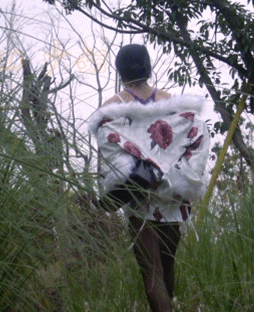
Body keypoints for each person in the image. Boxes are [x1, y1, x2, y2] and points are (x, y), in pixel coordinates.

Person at [88, 44, 210, 312]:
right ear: (148, 66)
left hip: (139, 198)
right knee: (167, 268)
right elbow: (191, 138)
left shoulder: (113, 107)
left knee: (152, 274)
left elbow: (112, 154)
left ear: (120, 71)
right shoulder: (170, 101)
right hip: (172, 196)